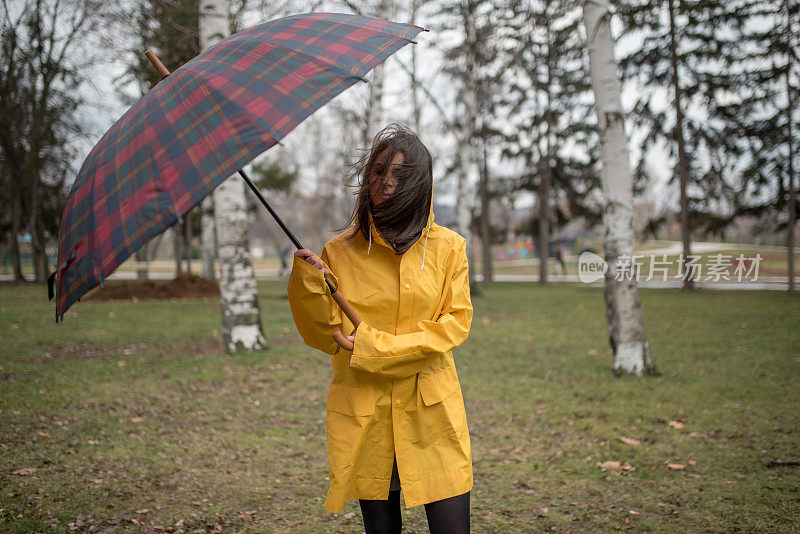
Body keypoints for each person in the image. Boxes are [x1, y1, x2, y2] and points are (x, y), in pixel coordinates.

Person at [287, 123, 473, 534]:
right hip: (367, 414)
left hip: (432, 414)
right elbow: (325, 336)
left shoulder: (447, 248)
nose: (386, 183)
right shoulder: (339, 252)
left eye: (399, 175)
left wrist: (374, 348)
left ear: (419, 183)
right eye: (379, 171)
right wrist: (311, 282)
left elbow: (453, 327)